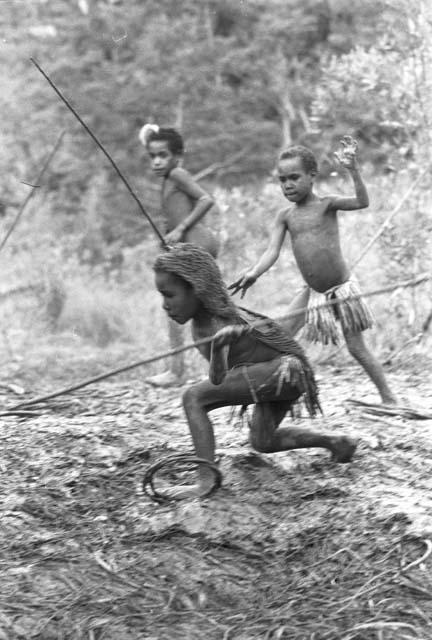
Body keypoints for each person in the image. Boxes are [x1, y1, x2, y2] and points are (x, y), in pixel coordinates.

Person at [154, 243, 357, 498]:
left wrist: (220, 346)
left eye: (169, 294)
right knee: (263, 441)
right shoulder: (203, 325)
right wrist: (219, 349)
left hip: (283, 370)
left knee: (193, 397)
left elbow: (215, 384)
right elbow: (220, 378)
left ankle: (205, 481)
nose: (164, 305)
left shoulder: (220, 322)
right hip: (282, 375)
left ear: (196, 289)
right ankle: (335, 441)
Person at [229, 136, 396, 405]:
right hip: (313, 293)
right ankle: (265, 389)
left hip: (341, 291)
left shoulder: (327, 205)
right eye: (283, 180)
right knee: (280, 335)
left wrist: (352, 169)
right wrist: (254, 273)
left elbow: (362, 201)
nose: (288, 185)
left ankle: (389, 398)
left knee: (356, 348)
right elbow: (271, 251)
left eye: (294, 177)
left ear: (312, 175)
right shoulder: (285, 216)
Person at [139, 124, 220, 387]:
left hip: (197, 246)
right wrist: (169, 236)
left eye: (163, 155)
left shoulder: (177, 174)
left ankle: (178, 371)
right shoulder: (168, 180)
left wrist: (181, 228)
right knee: (198, 311)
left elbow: (206, 199)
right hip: (187, 249)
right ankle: (215, 368)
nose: (157, 161)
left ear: (177, 156)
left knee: (181, 305)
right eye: (153, 156)